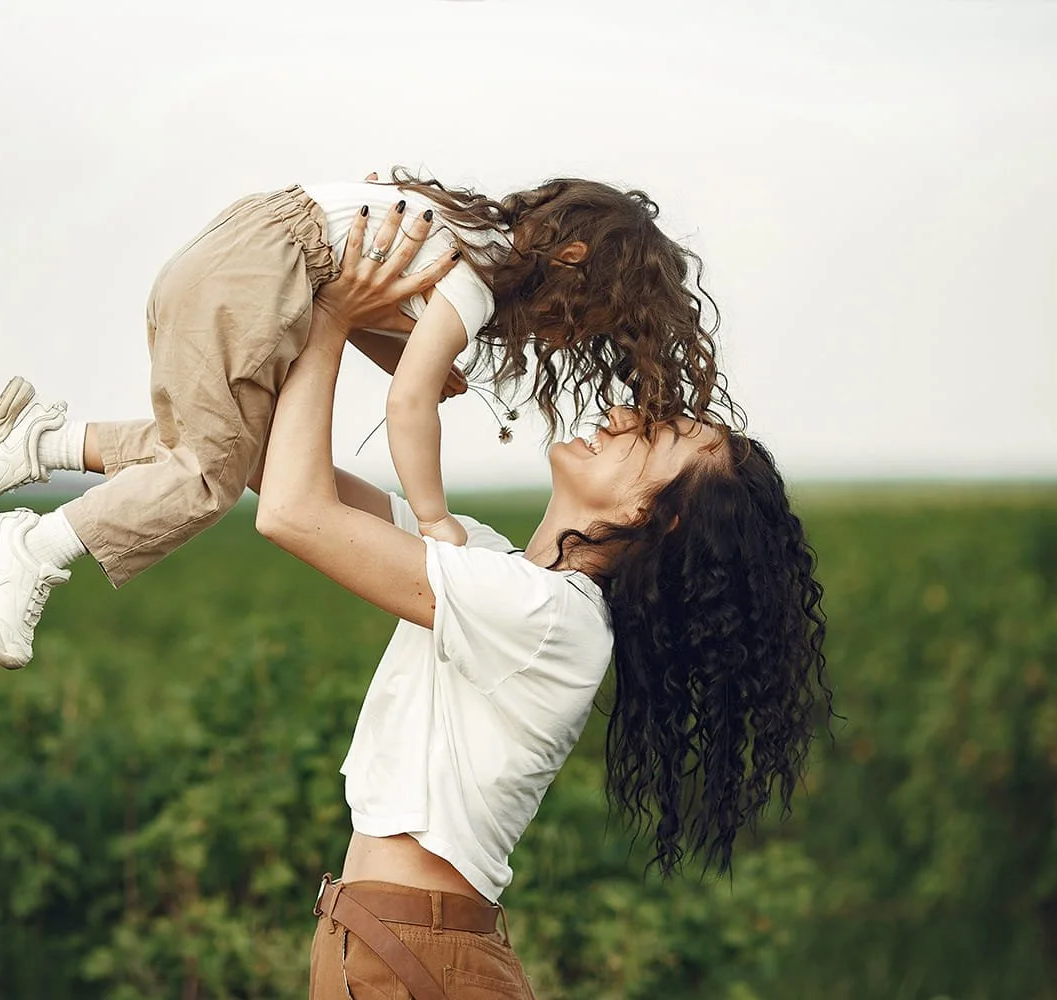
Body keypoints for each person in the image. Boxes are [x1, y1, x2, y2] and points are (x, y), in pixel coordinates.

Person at [254, 208, 834, 997]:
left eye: (657, 435)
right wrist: (362, 325)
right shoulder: (487, 563)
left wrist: (331, 314)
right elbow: (270, 464)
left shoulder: (547, 619)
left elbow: (292, 512)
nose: (627, 413)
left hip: (411, 954)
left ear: (646, 517)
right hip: (400, 944)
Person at [0, 171, 725, 668]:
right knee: (208, 479)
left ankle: (39, 441)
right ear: (572, 260)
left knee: (217, 443)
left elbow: (360, 285)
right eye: (582, 318)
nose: (566, 336)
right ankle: (32, 543)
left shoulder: (465, 234)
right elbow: (407, 404)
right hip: (260, 280)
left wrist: (397, 352)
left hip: (237, 251)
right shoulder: (481, 278)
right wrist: (433, 517)